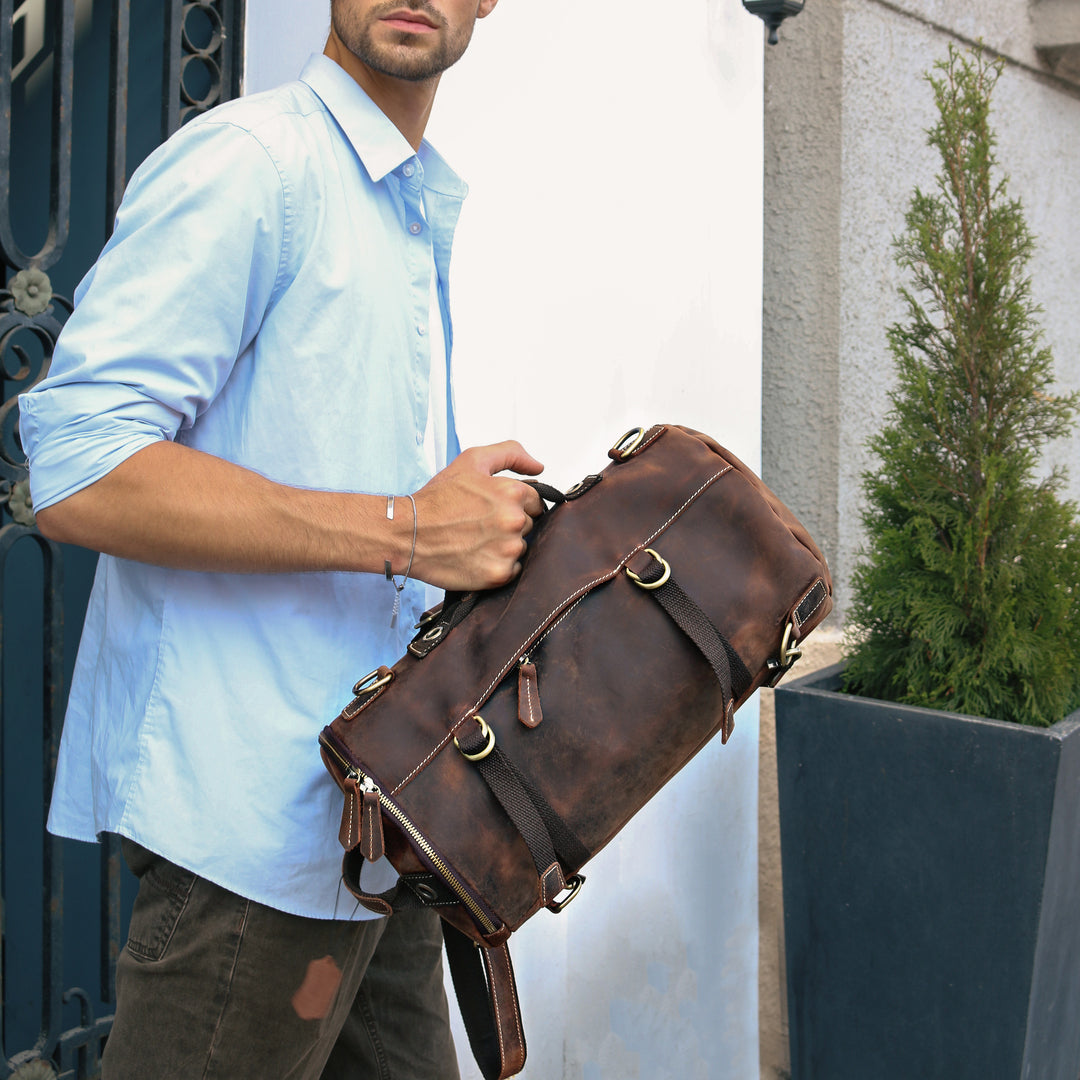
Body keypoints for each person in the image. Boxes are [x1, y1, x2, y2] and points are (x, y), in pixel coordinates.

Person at [19, 1, 544, 1076]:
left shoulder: (403, 201)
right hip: (249, 838)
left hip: (379, 816)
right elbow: (77, 469)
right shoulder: (255, 164)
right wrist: (406, 531)